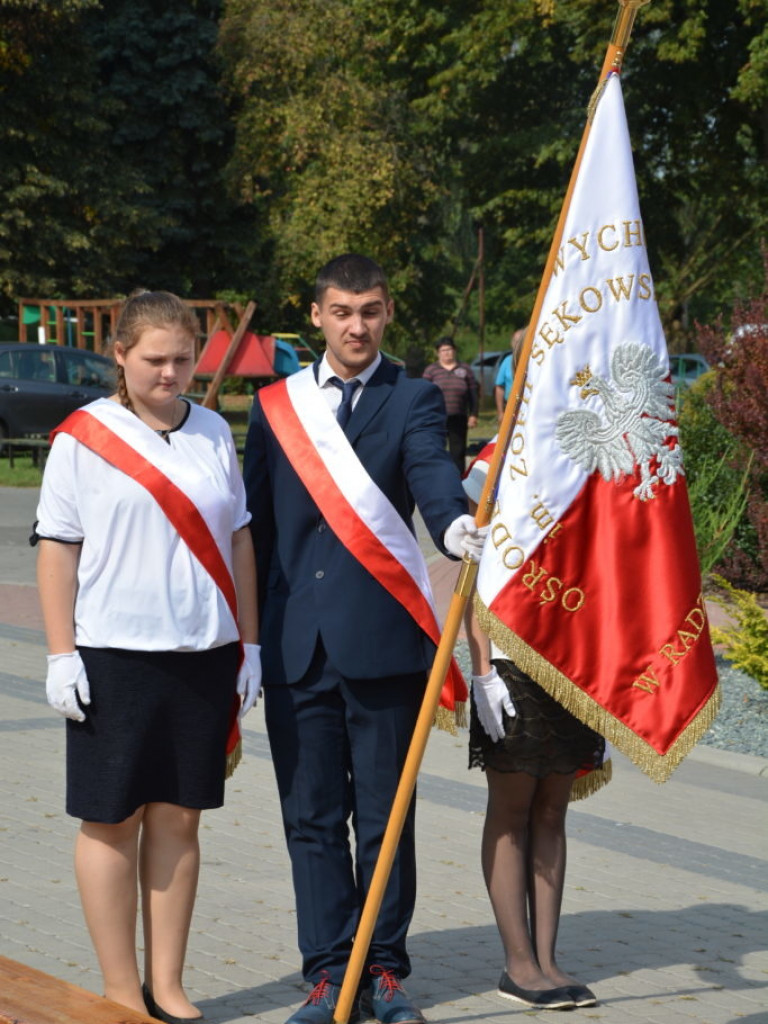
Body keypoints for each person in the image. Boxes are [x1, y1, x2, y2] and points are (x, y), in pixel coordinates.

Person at [244, 254, 486, 1024]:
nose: (357, 325)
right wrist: (246, 642)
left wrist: (451, 523)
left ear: (388, 314)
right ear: (315, 315)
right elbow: (255, 526)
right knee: (310, 818)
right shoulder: (274, 406)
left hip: (383, 645)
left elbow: (429, 469)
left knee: (386, 817)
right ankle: (325, 973)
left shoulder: (412, 397)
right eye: (343, 311)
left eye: (371, 311)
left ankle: (382, 971)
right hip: (294, 647)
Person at [34, 290, 260, 1022]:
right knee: (110, 819)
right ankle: (120, 989)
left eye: (183, 360)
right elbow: (58, 551)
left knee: (180, 819)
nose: (170, 374)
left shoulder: (214, 434)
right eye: (155, 360)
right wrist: (61, 653)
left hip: (202, 654)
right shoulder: (81, 437)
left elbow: (239, 541)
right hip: (113, 656)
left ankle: (168, 984)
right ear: (120, 357)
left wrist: (250, 643)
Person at [462, 442, 607, 1012]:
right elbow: (477, 568)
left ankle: (547, 958)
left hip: (575, 656)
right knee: (513, 807)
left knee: (553, 808)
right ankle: (517, 961)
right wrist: (480, 670)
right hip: (510, 654)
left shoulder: (591, 454)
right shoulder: (499, 458)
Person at [422, 336, 478, 473]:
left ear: (455, 350)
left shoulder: (465, 369)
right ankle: (437, 479)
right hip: (436, 417)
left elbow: (473, 393)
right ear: (438, 353)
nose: (447, 353)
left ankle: (459, 482)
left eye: (449, 349)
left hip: (458, 416)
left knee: (457, 452)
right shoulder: (431, 370)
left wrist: (474, 414)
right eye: (443, 350)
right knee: (435, 450)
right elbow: (423, 394)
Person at [493, 327, 527, 424]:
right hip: (511, 406)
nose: (518, 344)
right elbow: (499, 387)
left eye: (521, 341)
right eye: (516, 341)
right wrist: (500, 412)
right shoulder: (507, 361)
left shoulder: (535, 359)